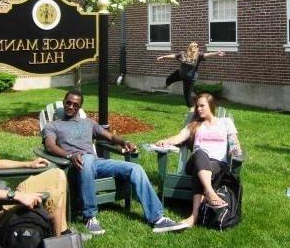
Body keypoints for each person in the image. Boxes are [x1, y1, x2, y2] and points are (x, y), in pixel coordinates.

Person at [42, 89, 189, 235]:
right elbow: (50, 146)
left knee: (135, 168)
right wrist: (70, 156)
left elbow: (110, 138)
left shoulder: (88, 123)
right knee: (86, 159)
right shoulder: (53, 126)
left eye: (75, 105)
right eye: (68, 103)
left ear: (79, 107)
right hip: (76, 165)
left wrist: (124, 142)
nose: (71, 107)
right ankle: (90, 217)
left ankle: (157, 218)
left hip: (97, 163)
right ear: (64, 103)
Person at [155, 93, 242, 227]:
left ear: (211, 106)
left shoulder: (225, 123)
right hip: (196, 160)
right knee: (200, 153)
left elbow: (235, 144)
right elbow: (178, 138)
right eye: (197, 106)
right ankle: (209, 191)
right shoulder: (194, 125)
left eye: (202, 106)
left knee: (200, 171)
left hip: (217, 165)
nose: (199, 109)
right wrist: (165, 141)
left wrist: (236, 152)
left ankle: (193, 216)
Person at [156, 42, 226, 107]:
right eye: (197, 48)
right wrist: (163, 57)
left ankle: (191, 109)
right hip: (180, 74)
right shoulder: (183, 54)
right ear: (192, 48)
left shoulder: (198, 56)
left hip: (189, 79)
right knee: (169, 79)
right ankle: (166, 85)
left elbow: (207, 55)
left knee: (187, 96)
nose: (198, 49)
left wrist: (216, 53)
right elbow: (173, 56)